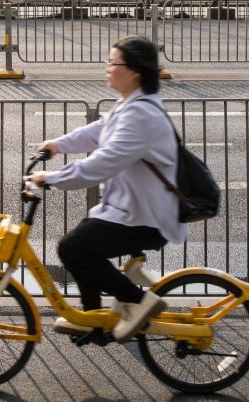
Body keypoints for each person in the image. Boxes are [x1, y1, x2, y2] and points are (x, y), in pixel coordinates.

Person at [29, 35, 183, 341]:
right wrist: (58, 145)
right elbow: (98, 131)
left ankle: (139, 304)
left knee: (74, 248)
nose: (107, 69)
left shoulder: (141, 114)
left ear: (135, 71)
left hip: (148, 217)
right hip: (128, 209)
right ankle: (93, 319)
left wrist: (54, 178)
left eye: (113, 63)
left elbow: (104, 162)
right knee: (80, 241)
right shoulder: (130, 104)